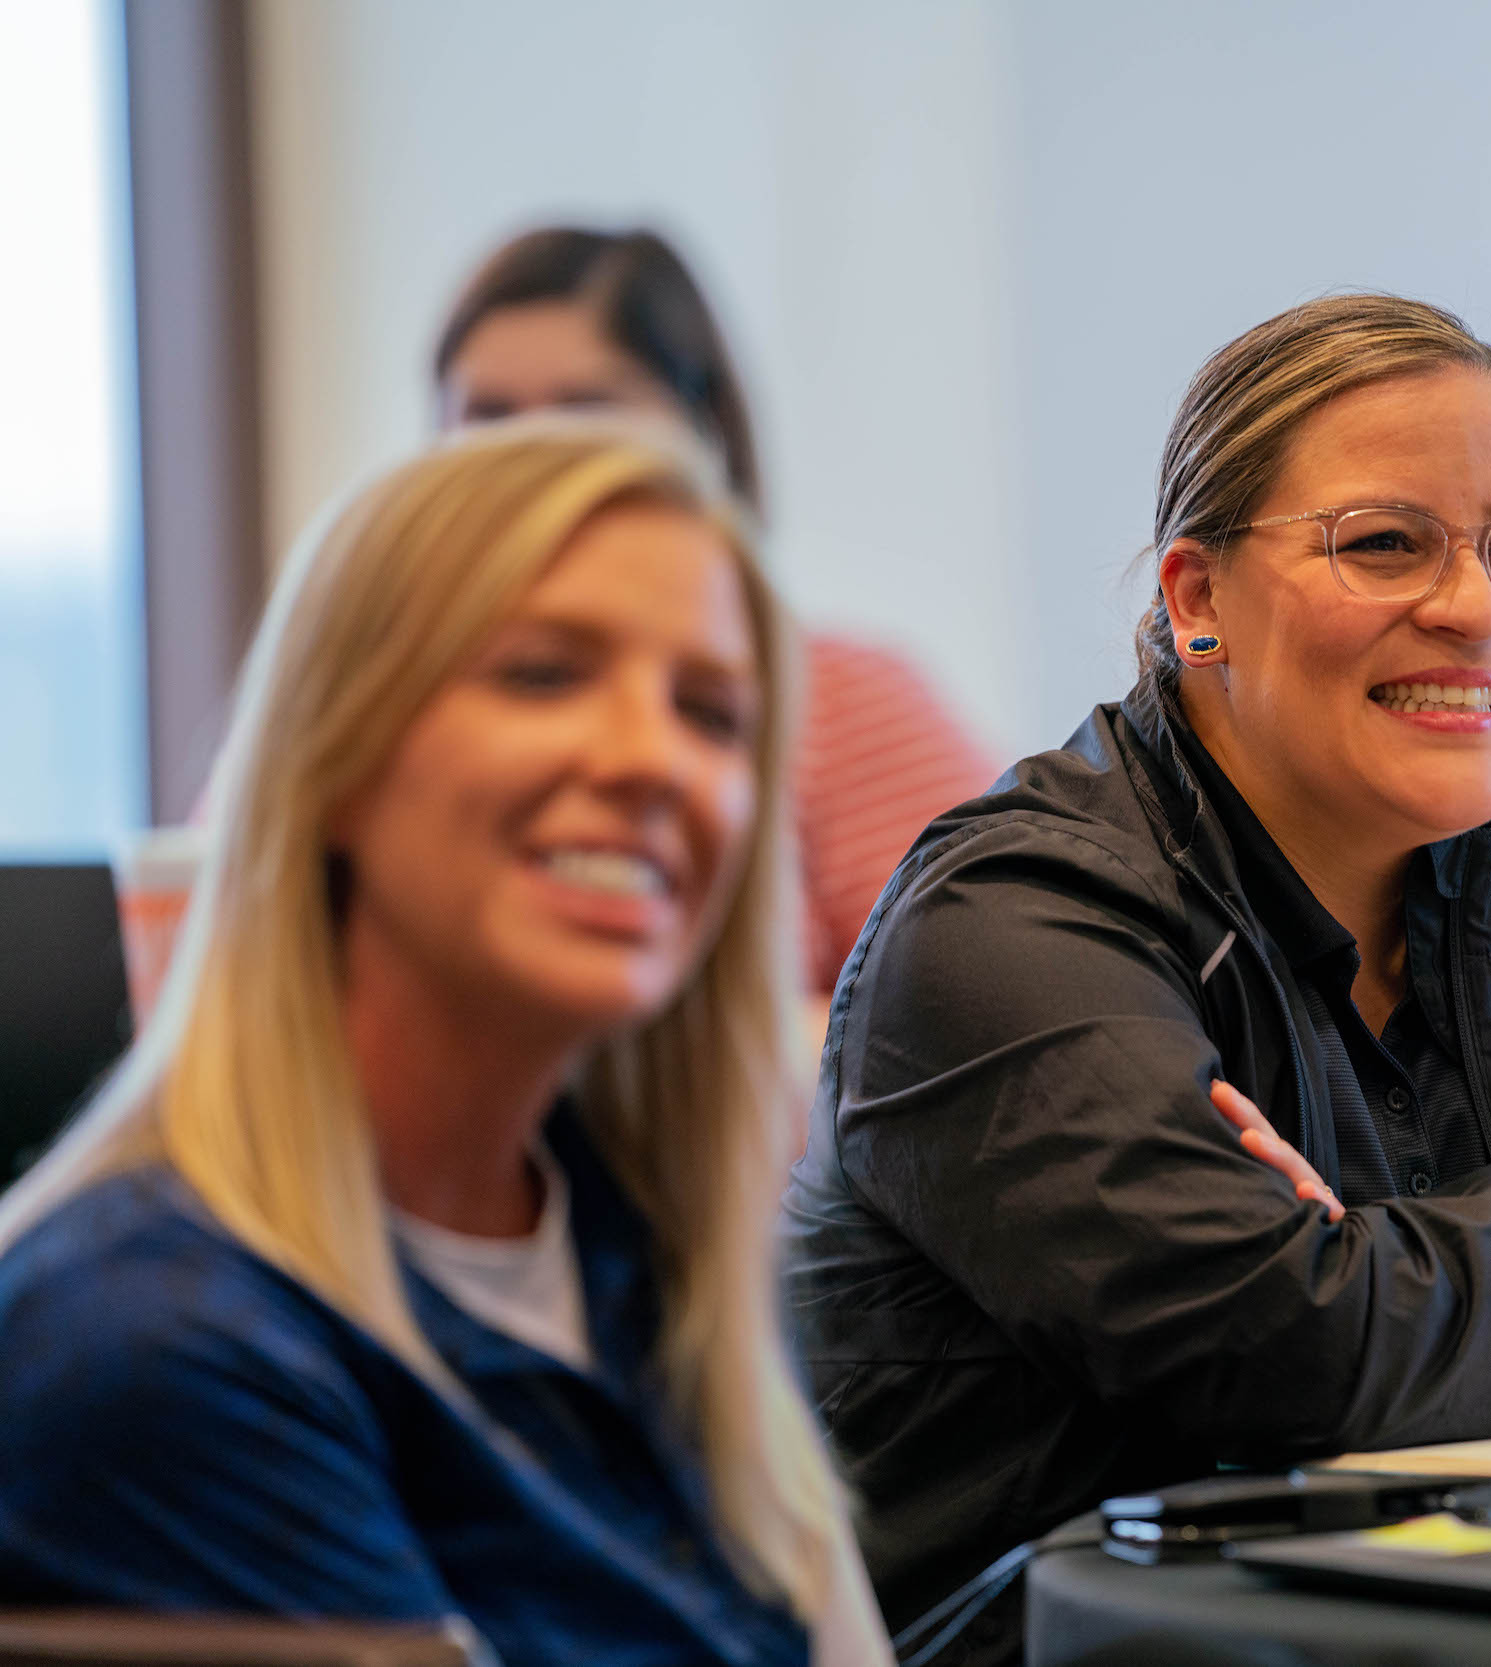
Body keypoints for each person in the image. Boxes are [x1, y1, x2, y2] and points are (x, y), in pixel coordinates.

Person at [781, 294, 1491, 1656]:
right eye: (1385, 543)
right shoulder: (1012, 925)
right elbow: (1288, 1356)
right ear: (1197, 597)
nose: (1474, 607)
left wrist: (1393, 1302)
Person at [0, 424, 890, 1666]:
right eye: (541, 674)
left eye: (710, 713)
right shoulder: (152, 1345)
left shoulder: (635, 1245)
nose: (649, 759)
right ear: (340, 755)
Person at [433, 225, 996, 990]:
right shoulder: (387, 680)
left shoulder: (845, 703)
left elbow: (990, 1010)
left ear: (708, 438)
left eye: (587, 416)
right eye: (490, 422)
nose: (539, 466)